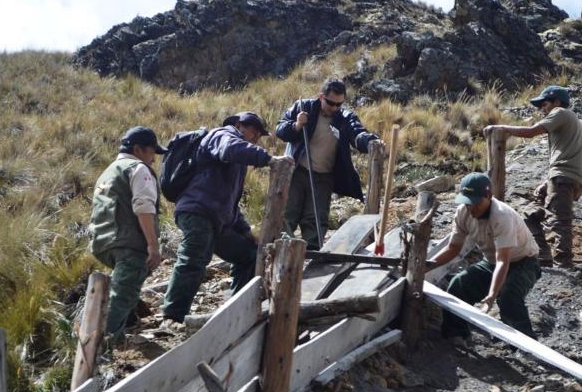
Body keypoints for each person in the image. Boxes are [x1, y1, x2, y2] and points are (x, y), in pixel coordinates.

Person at [162, 112, 292, 323]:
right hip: (198, 211)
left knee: (248, 255)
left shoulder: (236, 162)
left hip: (215, 218)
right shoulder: (223, 135)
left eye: (260, 135)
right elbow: (229, 148)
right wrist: (268, 159)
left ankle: (236, 308)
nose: (256, 138)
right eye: (254, 132)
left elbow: (229, 203)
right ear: (239, 125)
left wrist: (244, 231)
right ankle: (172, 317)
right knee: (194, 258)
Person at [483, 85, 582, 268]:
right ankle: (543, 257)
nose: (543, 109)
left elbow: (532, 132)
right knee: (529, 215)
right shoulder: (569, 122)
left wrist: (501, 128)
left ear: (557, 102)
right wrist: (548, 181)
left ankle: (564, 265)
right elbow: (567, 155)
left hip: (564, 177)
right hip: (563, 176)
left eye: (545, 103)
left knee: (559, 221)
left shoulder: (560, 112)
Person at [429, 173, 542, 342]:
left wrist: (491, 296)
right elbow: (453, 248)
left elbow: (503, 260)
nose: (471, 208)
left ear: (488, 196)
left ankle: (525, 345)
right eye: (467, 202)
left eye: (475, 203)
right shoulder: (463, 213)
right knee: (458, 285)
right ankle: (456, 333)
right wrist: (425, 266)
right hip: (491, 262)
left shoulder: (502, 216)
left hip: (523, 262)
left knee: (508, 296)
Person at [276, 79, 381, 250]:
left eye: (339, 104)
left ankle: (312, 261)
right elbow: (280, 129)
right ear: (321, 97)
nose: (334, 108)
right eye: (330, 103)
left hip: (323, 177)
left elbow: (357, 133)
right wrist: (297, 125)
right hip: (297, 171)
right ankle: (283, 254)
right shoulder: (303, 107)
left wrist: (369, 141)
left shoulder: (345, 117)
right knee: (287, 215)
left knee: (316, 219)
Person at [89, 126, 165, 346]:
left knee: (124, 292)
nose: (153, 159)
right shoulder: (138, 169)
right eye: (152, 152)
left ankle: (116, 338)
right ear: (139, 149)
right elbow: (143, 206)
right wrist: (152, 244)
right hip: (129, 243)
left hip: (104, 243)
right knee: (121, 297)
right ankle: (99, 349)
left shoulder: (109, 171)